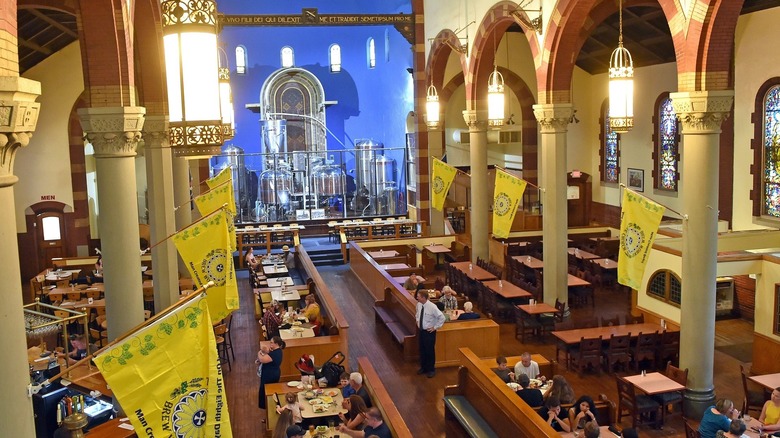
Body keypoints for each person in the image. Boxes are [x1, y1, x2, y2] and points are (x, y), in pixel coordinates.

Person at [415, 288, 445, 378]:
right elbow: (417, 314)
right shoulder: (419, 305)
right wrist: (417, 321)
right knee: (422, 349)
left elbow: (442, 317)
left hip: (429, 332)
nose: (417, 298)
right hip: (421, 331)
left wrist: (435, 327)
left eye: (418, 297)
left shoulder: (432, 307)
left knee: (429, 350)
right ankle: (423, 367)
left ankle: (431, 369)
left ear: (424, 297)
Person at [257, 336, 286, 410]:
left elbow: (262, 359)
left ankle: (270, 408)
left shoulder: (275, 354)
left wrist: (259, 352)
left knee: (268, 392)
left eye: (271, 342)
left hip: (270, 375)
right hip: (271, 373)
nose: (270, 344)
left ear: (276, 344)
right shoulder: (277, 351)